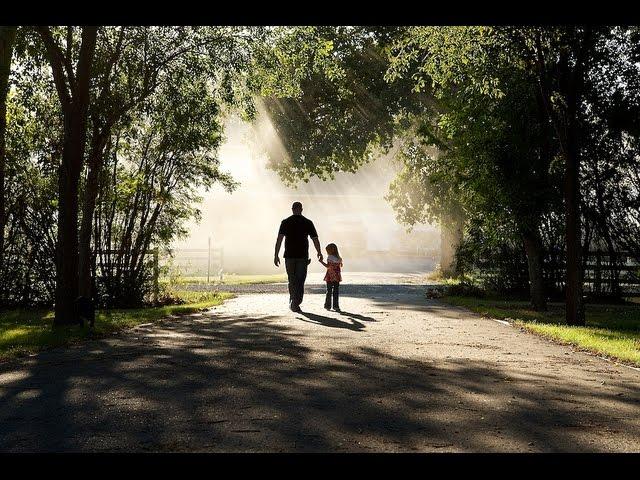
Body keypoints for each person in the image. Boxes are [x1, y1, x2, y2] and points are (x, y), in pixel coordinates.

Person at [274, 202, 323, 312]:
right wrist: (319, 252)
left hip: (289, 256)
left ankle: (293, 300)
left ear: (292, 209)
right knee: (300, 280)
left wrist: (276, 254)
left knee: (292, 279)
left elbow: (279, 239)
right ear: (301, 209)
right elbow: (315, 239)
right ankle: (296, 302)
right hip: (302, 256)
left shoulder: (286, 222)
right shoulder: (307, 222)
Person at [319, 243, 342, 312]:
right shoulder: (339, 258)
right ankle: (336, 306)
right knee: (336, 291)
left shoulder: (330, 257)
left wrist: (321, 262)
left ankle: (327, 305)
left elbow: (328, 266)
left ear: (331, 250)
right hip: (337, 276)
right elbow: (340, 266)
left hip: (330, 275)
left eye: (327, 251)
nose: (327, 252)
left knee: (329, 291)